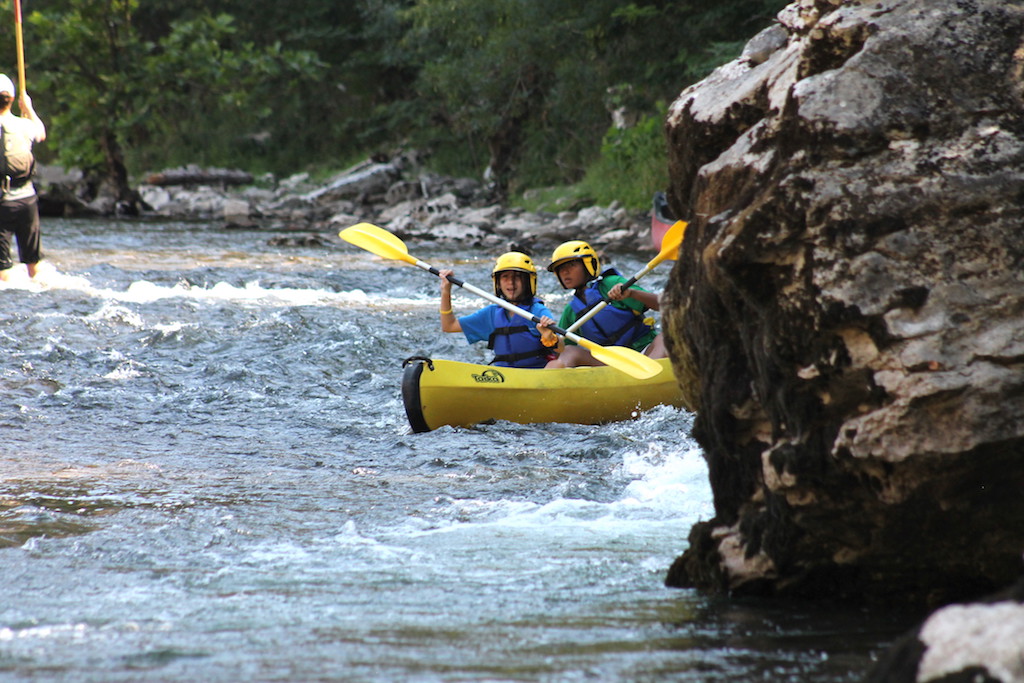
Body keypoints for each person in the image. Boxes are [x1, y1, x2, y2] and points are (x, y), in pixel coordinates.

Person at [544, 240, 666, 368]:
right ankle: (548, 386)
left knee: (665, 338)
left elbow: (660, 304)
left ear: (588, 264)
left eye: (571, 265)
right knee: (569, 351)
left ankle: (652, 377)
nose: (565, 272)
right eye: (560, 269)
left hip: (646, 353)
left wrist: (632, 293)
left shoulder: (612, 283)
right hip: (609, 364)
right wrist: (550, 339)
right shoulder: (571, 311)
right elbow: (560, 351)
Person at [438, 251, 561, 368]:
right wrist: (446, 291)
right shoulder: (492, 313)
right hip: (503, 376)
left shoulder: (538, 311)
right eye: (505, 277)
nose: (511, 283)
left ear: (528, 282)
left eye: (517, 277)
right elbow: (449, 326)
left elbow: (561, 349)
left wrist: (549, 337)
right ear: (498, 282)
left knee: (557, 365)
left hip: (535, 374)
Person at [0, 73, 46, 282]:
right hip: (28, 201)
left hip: (2, 203)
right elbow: (41, 133)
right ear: (11, 100)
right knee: (33, 264)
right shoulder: (25, 126)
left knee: (3, 271)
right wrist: (28, 108)